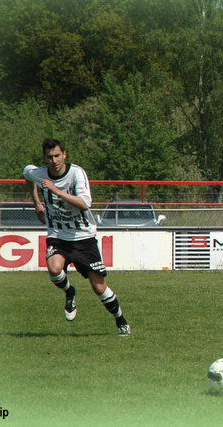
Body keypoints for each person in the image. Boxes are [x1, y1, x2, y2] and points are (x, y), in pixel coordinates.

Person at [24, 138, 131, 336]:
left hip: (83, 237)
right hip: (58, 235)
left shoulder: (76, 173)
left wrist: (56, 190)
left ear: (64, 154)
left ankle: (120, 319)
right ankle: (70, 292)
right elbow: (28, 174)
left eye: (57, 156)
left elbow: (84, 204)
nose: (54, 161)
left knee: (99, 287)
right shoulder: (39, 173)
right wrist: (36, 202)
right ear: (45, 158)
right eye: (50, 157)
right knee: (54, 269)